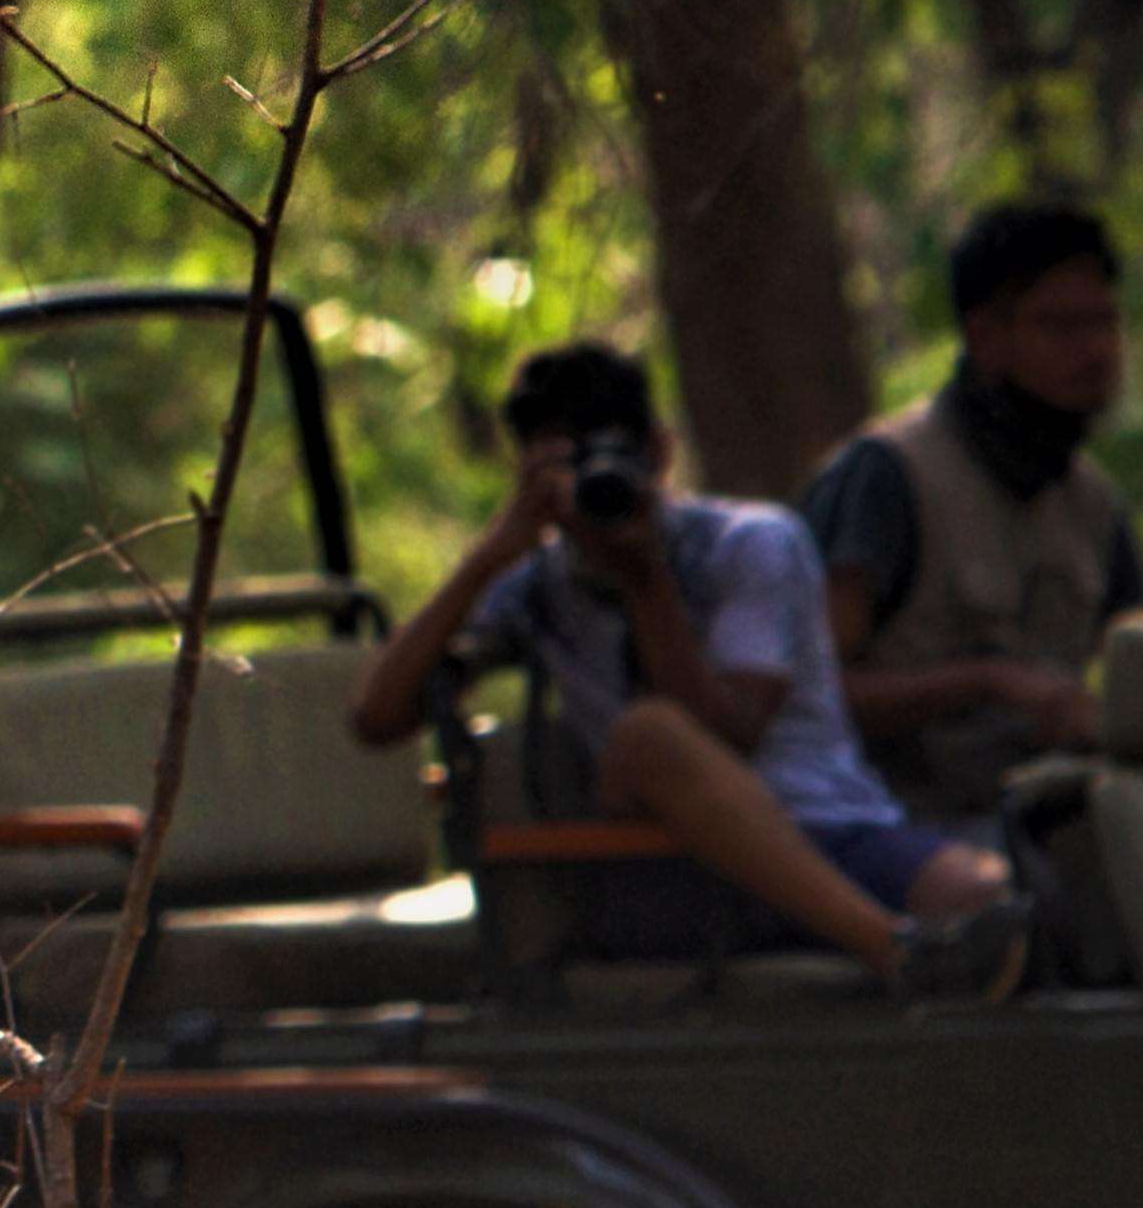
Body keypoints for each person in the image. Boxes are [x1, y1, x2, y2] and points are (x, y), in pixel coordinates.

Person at [352, 340, 1031, 999]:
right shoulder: (535, 586)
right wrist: (491, 553)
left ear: (656, 451)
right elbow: (376, 717)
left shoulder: (749, 544)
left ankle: (912, 960)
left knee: (989, 902)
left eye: (607, 459)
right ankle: (893, 948)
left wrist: (645, 577)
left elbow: (731, 730)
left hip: (825, 830)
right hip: (662, 867)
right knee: (649, 734)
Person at [798, 199, 1143, 832]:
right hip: (900, 828)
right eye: (1062, 327)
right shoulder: (889, 476)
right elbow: (808, 692)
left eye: (1104, 323)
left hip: (1054, 820)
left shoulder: (1093, 503)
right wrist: (985, 683)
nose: (1097, 351)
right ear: (986, 337)